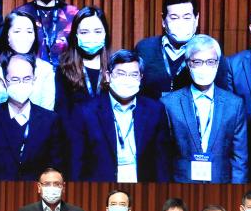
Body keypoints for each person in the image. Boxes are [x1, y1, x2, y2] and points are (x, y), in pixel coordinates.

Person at [67, 49, 173, 182]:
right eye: (121, 74)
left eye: (133, 75)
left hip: (143, 184)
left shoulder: (155, 110)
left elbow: (161, 161)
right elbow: (77, 162)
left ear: (140, 78)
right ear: (108, 76)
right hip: (101, 184)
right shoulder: (85, 112)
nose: (127, 80)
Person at [162, 34, 247, 183]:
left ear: (218, 63)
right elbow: (163, 158)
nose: (204, 67)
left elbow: (239, 159)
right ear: (188, 64)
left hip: (221, 184)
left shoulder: (234, 104)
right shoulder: (169, 104)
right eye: (197, 62)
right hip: (181, 184)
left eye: (210, 62)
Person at [0, 53, 61, 180]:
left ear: (34, 80)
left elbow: (54, 168)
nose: (21, 84)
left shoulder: (50, 121)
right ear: (4, 82)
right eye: (15, 79)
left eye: (27, 79)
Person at [135, 0, 232, 99]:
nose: (180, 23)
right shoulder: (145, 48)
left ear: (196, 19)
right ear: (163, 21)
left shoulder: (210, 49)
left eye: (186, 18)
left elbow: (222, 94)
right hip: (153, 113)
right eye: (174, 18)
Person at [0, 11, 55, 111]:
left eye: (29, 31)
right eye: (17, 31)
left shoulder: (45, 69)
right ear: (7, 35)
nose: (24, 37)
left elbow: (47, 111)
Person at [54, 6, 110, 116]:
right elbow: (61, 113)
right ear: (76, 36)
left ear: (105, 34)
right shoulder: (64, 70)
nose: (91, 37)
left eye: (97, 32)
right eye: (84, 32)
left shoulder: (114, 67)